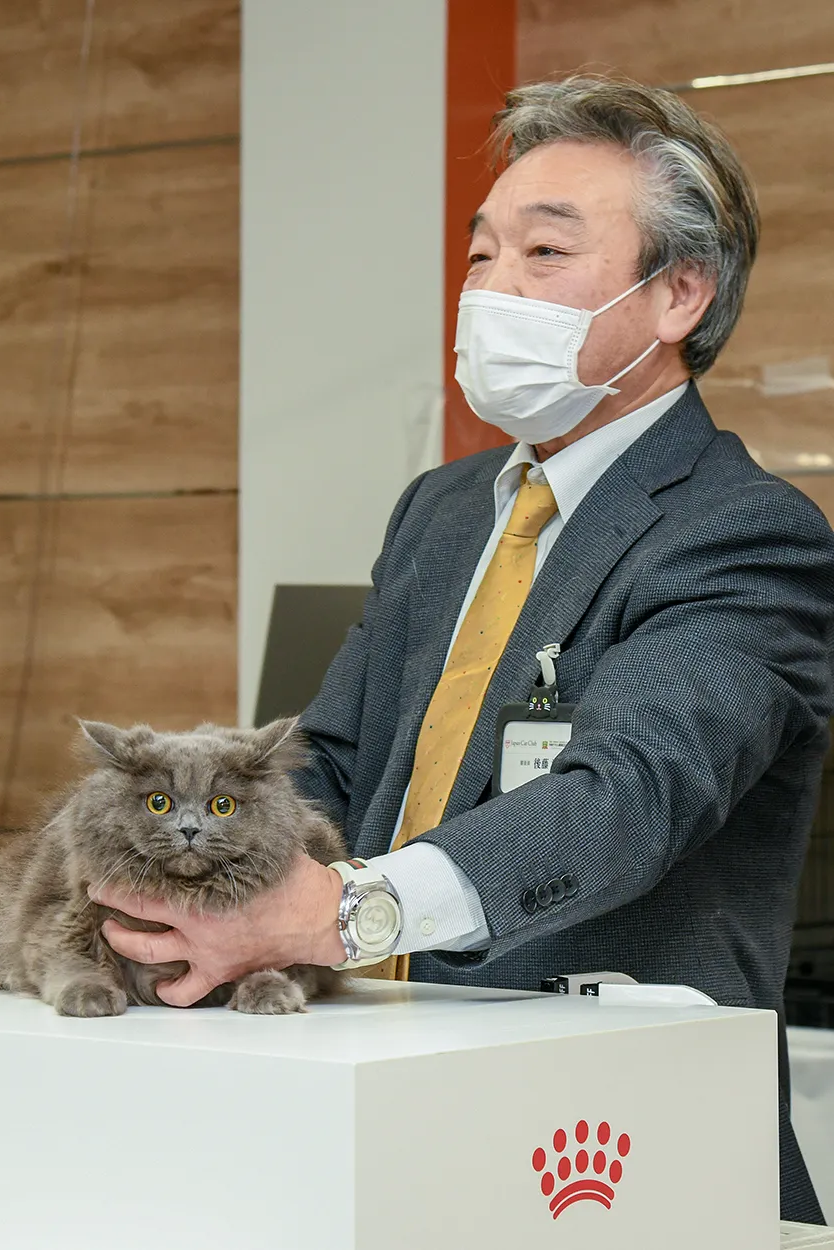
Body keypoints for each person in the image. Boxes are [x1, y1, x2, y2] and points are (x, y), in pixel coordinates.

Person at [92, 75, 834, 1224]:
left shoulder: (745, 531)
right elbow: (331, 764)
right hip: (370, 1096)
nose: (490, 288)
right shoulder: (442, 511)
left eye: (544, 252)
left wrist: (341, 912)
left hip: (618, 1141)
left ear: (679, 292)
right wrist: (192, 874)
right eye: (481, 253)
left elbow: (626, 799)